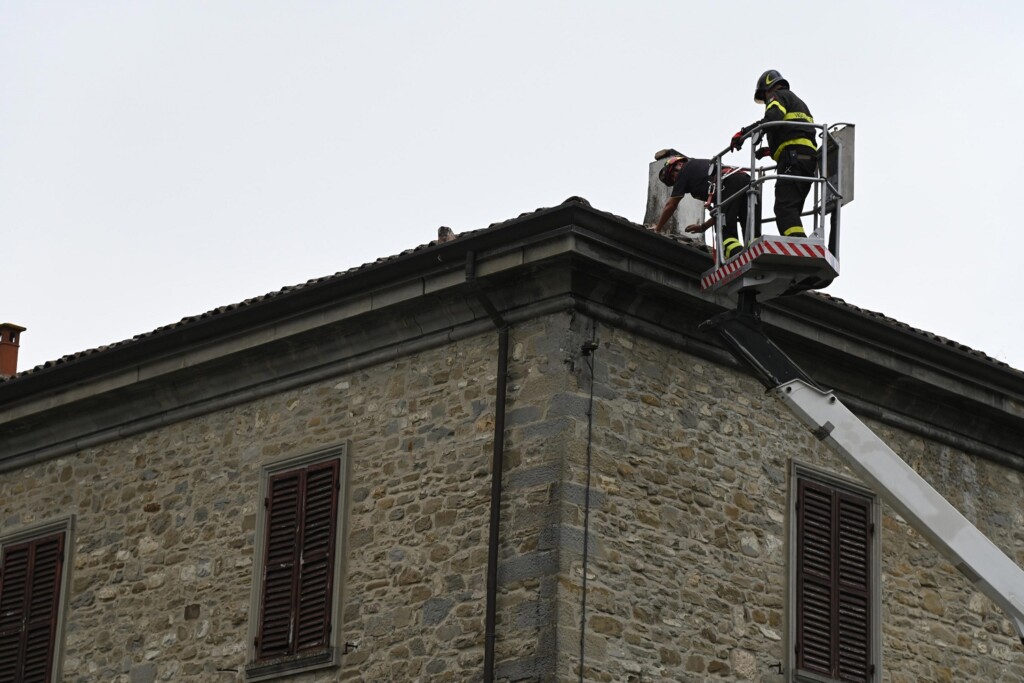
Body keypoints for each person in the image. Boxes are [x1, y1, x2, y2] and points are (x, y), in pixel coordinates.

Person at [729, 70, 817, 239]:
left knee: (784, 209)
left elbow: (772, 118)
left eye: (764, 96)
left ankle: (799, 246)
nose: (766, 101)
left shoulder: (777, 96)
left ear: (767, 88)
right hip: (806, 161)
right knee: (792, 209)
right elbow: (797, 134)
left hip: (792, 160)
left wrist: (744, 133)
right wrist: (771, 151)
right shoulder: (798, 102)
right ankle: (799, 244)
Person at [649, 153, 754, 261]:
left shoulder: (684, 171)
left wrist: (658, 228)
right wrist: (703, 227)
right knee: (750, 226)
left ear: (679, 164)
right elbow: (720, 213)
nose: (675, 179)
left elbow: (671, 205)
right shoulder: (704, 173)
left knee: (725, 235)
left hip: (729, 183)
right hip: (747, 180)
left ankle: (739, 259)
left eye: (672, 175)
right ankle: (755, 251)